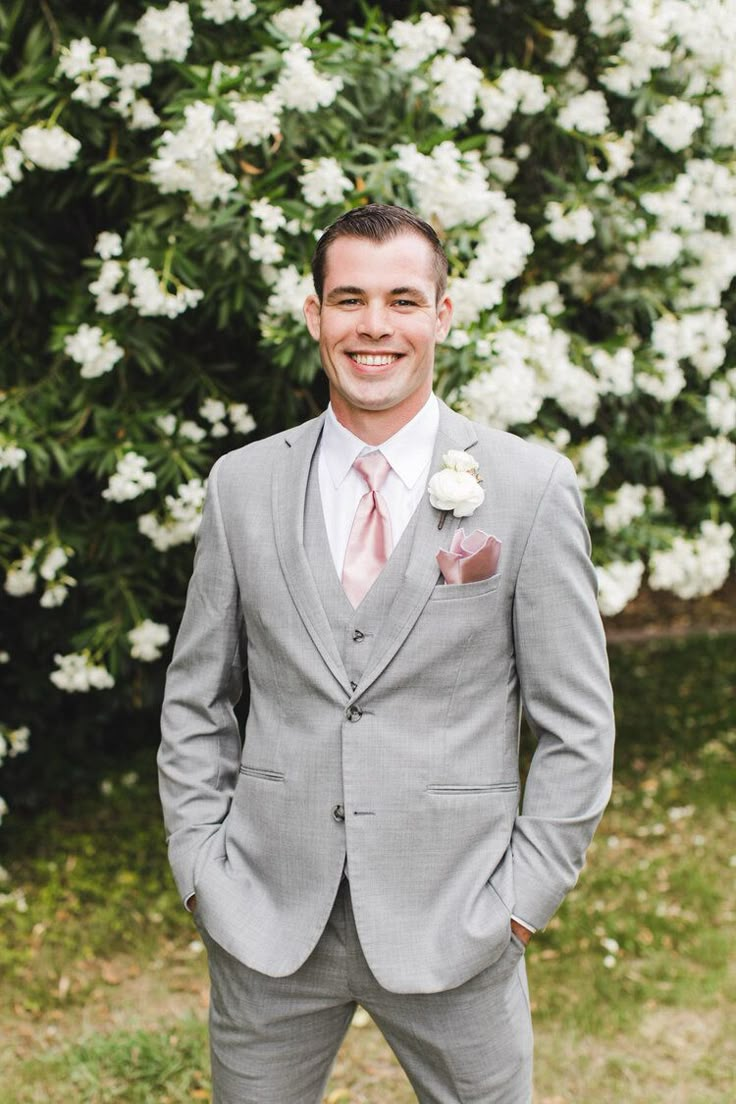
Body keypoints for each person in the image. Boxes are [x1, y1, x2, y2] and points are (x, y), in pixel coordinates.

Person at [158, 203, 615, 1104]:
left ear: (443, 314)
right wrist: (203, 874)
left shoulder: (527, 489)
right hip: (266, 918)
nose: (374, 326)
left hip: (459, 920)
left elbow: (578, 729)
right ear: (313, 313)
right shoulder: (243, 485)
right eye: (349, 299)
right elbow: (196, 700)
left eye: (403, 300)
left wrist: (518, 905)